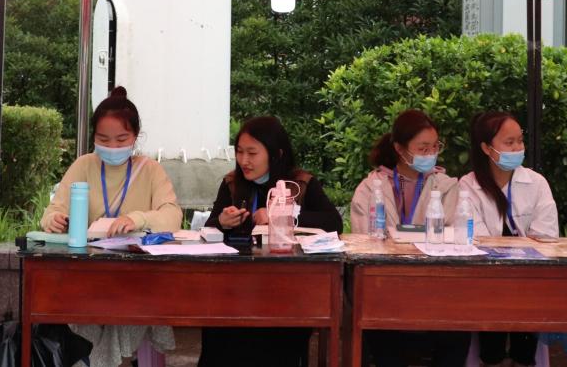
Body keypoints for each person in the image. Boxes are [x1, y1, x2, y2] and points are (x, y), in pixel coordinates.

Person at [40, 86, 182, 367]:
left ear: (135, 137)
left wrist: (137, 219)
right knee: (81, 306)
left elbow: (172, 215)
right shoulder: (84, 165)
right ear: (94, 137)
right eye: (104, 139)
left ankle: (106, 361)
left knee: (131, 304)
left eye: (121, 139)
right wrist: (53, 219)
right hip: (88, 271)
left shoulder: (150, 169)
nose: (113, 147)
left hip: (137, 274)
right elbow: (53, 210)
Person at [198, 115, 342, 367]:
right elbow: (209, 228)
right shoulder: (232, 184)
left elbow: (334, 222)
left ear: (276, 154)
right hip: (237, 287)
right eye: (239, 152)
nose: (244, 160)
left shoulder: (301, 183)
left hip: (288, 288)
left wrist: (284, 214)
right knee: (218, 327)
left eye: (252, 153)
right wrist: (222, 221)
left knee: (275, 336)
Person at [349, 109, 469, 367]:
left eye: (435, 147)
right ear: (399, 149)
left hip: (436, 282)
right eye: (423, 148)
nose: (430, 153)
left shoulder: (446, 186)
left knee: (458, 327)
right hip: (386, 283)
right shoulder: (371, 187)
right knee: (381, 327)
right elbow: (362, 239)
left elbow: (452, 234)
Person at [459, 111, 558, 367]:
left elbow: (546, 237)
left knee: (525, 350)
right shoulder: (467, 186)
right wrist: (524, 243)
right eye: (509, 142)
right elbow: (477, 240)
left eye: (520, 141)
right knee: (490, 349)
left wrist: (520, 247)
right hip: (486, 282)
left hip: (530, 281)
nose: (517, 148)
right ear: (486, 148)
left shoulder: (537, 183)